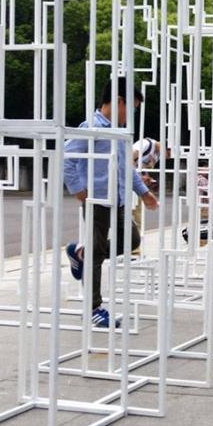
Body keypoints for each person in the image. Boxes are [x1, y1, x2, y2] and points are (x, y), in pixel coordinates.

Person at [64, 77, 159, 329]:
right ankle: (93, 308)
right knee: (96, 254)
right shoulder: (92, 127)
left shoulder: (120, 133)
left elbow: (127, 168)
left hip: (117, 200)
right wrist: (78, 190)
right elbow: (67, 157)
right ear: (118, 101)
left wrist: (143, 193)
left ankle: (81, 254)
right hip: (96, 201)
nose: (131, 115)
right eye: (131, 108)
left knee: (131, 240)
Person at [130, 137, 169, 254]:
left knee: (137, 216)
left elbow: (144, 169)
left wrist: (146, 178)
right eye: (168, 153)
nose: (168, 157)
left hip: (136, 185)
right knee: (126, 215)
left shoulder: (157, 155)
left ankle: (134, 248)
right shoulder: (146, 144)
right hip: (127, 181)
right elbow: (129, 157)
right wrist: (137, 177)